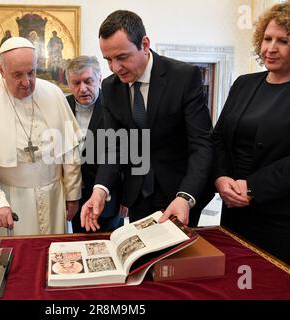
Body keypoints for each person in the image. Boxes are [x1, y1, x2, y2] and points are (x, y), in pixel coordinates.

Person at [212, 0, 290, 280]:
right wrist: (221, 178)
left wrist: (252, 188)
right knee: (237, 287)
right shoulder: (245, 83)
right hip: (236, 214)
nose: (270, 48)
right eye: (267, 38)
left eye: (283, 41)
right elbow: (220, 139)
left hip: (289, 222)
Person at [81, 10, 214, 231]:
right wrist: (100, 189)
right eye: (108, 60)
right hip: (137, 195)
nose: (114, 68)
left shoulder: (183, 77)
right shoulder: (110, 87)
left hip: (179, 193)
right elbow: (115, 145)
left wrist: (185, 196)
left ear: (144, 44)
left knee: (175, 264)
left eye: (122, 57)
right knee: (143, 260)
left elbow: (202, 143)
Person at [0, 37, 82, 236]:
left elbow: (69, 150)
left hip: (54, 197)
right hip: (7, 198)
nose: (26, 82)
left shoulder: (53, 93)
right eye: (17, 75)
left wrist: (72, 195)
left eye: (32, 72)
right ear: (0, 69)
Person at [65, 55, 125, 233]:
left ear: (99, 79)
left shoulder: (116, 105)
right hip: (75, 197)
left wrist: (127, 198)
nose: (82, 89)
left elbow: (127, 153)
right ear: (68, 83)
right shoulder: (63, 106)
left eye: (88, 81)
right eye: (76, 83)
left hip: (108, 198)